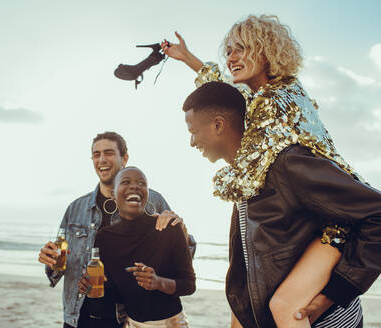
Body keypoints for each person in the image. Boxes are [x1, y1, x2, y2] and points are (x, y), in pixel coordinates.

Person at [162, 15, 379, 325]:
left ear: (265, 51)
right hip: (321, 209)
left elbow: (234, 123)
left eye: (241, 49)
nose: (231, 57)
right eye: (229, 50)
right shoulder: (259, 96)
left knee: (285, 305)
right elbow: (221, 92)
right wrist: (186, 57)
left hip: (335, 224)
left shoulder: (278, 103)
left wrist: (332, 293)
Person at [38, 131, 193, 328]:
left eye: (109, 152)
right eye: (96, 154)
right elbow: (57, 270)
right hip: (77, 316)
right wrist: (51, 261)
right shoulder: (75, 208)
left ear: (124, 158)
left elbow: (183, 259)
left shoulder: (152, 201)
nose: (102, 159)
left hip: (124, 319)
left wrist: (181, 230)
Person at [94, 166, 195, 327]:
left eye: (142, 183)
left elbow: (189, 285)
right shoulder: (104, 238)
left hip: (172, 324)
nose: (135, 186)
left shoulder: (169, 228)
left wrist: (158, 282)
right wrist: (92, 285)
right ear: (113, 194)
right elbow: (113, 294)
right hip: (131, 324)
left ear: (147, 194)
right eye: (126, 182)